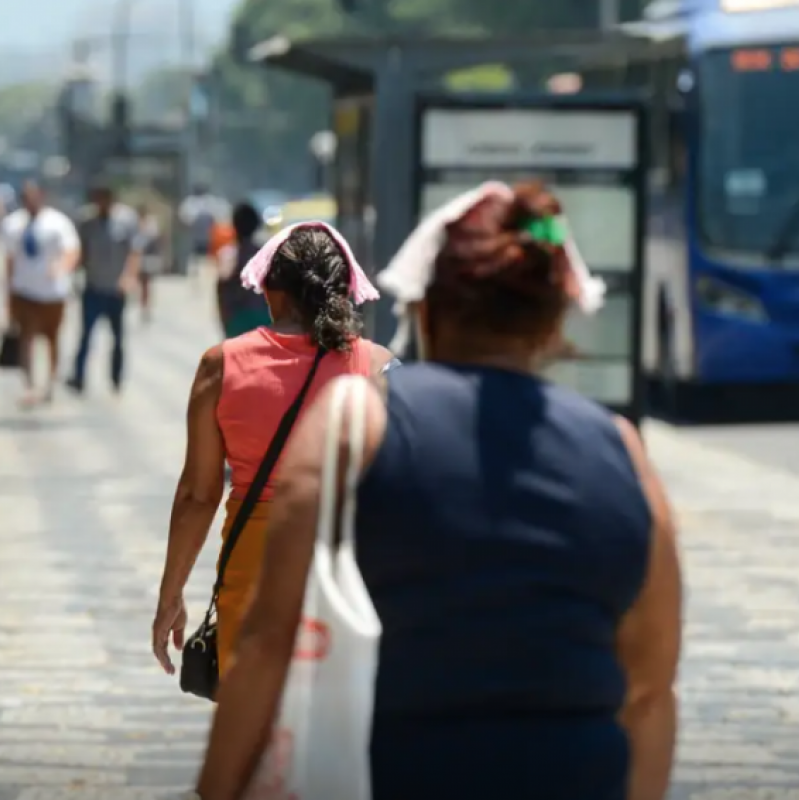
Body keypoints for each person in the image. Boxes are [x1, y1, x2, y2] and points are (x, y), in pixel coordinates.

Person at [193, 182, 682, 800]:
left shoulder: (354, 426)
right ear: (555, 320)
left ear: (423, 309)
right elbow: (649, 691)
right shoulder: (621, 449)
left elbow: (267, 643)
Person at [152, 221, 392, 680]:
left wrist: (171, 596)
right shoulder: (380, 368)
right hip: (347, 568)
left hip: (254, 567)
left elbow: (198, 496)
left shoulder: (220, 365)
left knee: (255, 723)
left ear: (271, 290)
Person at [1, 181, 80, 405]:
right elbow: (9, 261)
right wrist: (8, 293)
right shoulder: (12, 224)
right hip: (24, 291)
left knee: (51, 339)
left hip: (53, 293)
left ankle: (50, 382)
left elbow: (72, 250)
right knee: (26, 338)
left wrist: (61, 268)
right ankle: (29, 385)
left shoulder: (57, 222)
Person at [67, 185, 140, 395]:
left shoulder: (126, 220)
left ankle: (116, 377)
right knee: (86, 335)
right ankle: (78, 377)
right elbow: (80, 251)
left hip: (115, 289)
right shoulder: (87, 222)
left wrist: (128, 278)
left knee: (117, 338)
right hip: (93, 286)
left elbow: (134, 252)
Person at [214, 201, 272, 338]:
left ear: (234, 226)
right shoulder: (266, 254)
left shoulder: (228, 255)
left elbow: (221, 287)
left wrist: (225, 323)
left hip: (237, 322)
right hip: (264, 321)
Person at [133, 204, 163, 323]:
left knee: (146, 284)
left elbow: (155, 238)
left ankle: (146, 307)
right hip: (137, 256)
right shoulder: (133, 223)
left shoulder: (151, 224)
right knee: (139, 283)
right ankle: (141, 305)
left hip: (148, 256)